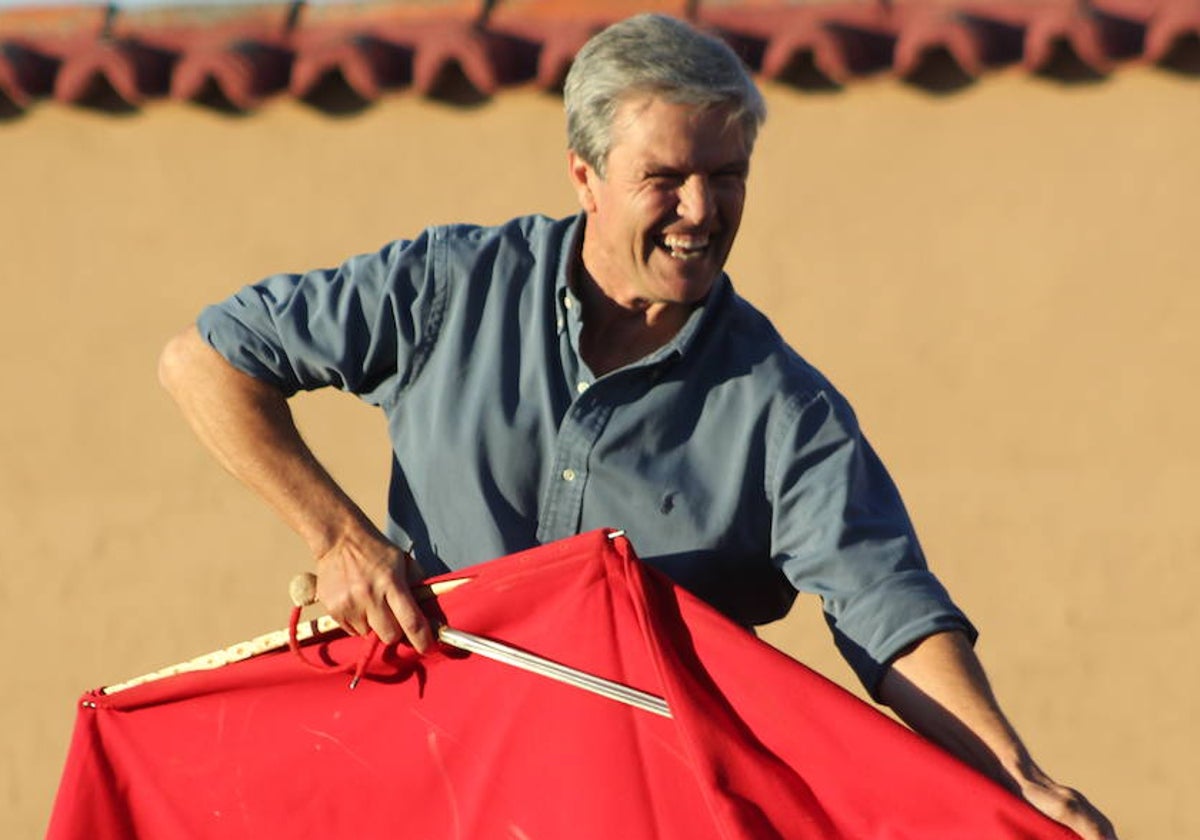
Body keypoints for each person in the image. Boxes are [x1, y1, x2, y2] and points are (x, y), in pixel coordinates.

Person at [159, 13, 1115, 840]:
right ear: (585, 175)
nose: (701, 212)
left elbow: (889, 612)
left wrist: (1012, 774)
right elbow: (205, 362)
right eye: (666, 178)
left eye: (727, 176)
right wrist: (340, 540)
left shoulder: (785, 409)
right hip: (427, 793)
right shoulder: (451, 287)